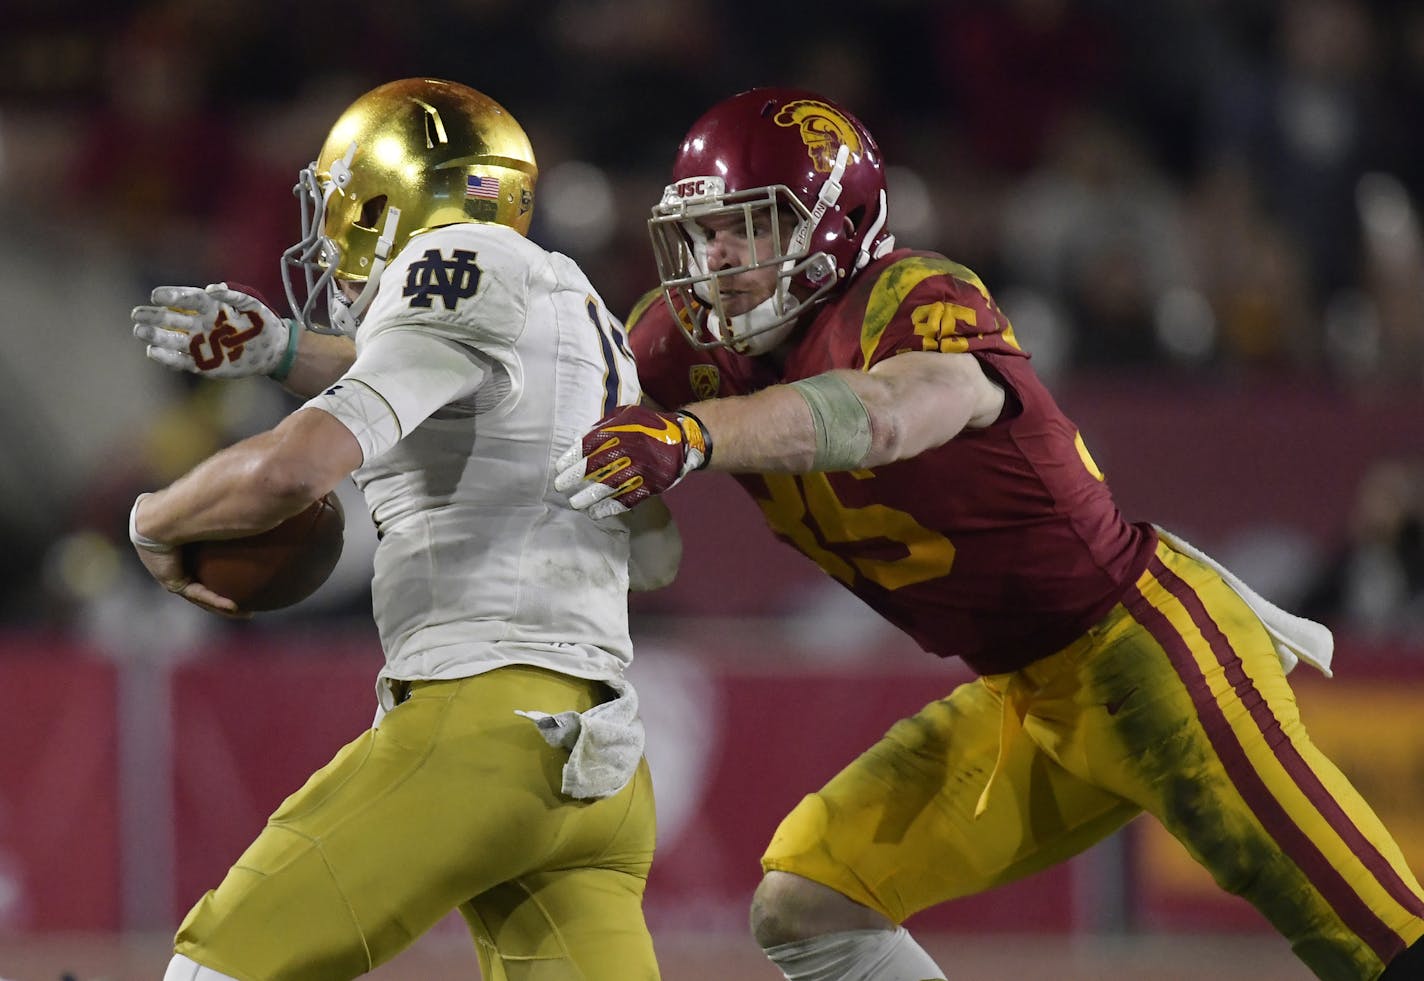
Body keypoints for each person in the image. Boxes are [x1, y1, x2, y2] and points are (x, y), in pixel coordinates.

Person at [553, 87, 1424, 981]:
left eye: (751, 228)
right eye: (704, 232)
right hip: (1024, 696)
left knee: (1384, 942)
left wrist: (695, 435)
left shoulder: (914, 295)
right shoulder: (675, 345)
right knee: (810, 898)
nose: (717, 258)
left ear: (835, 227)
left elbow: (888, 412)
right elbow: (568, 438)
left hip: (1151, 654)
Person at [128, 77, 677, 981]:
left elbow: (294, 470)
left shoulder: (456, 258)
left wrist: (155, 519)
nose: (332, 234)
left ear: (392, 200)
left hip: (483, 722)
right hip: (597, 762)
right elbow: (454, 376)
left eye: (345, 205)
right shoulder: (565, 294)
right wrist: (278, 350)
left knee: (214, 970)